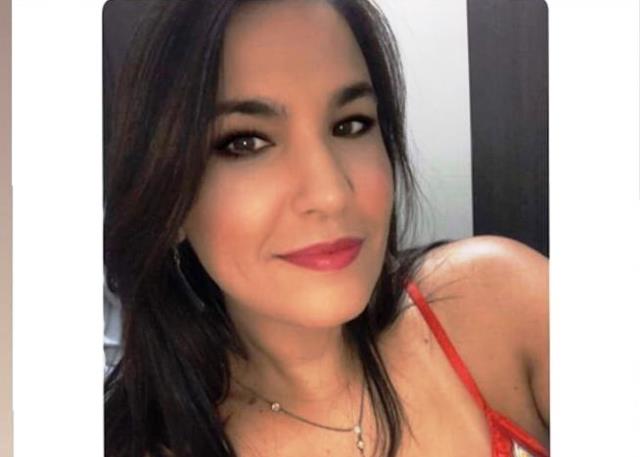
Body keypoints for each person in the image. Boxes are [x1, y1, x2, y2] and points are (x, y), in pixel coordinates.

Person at [104, 0, 549, 456]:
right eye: (246, 142)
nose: (331, 193)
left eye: (350, 125)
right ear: (170, 200)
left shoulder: (495, 302)